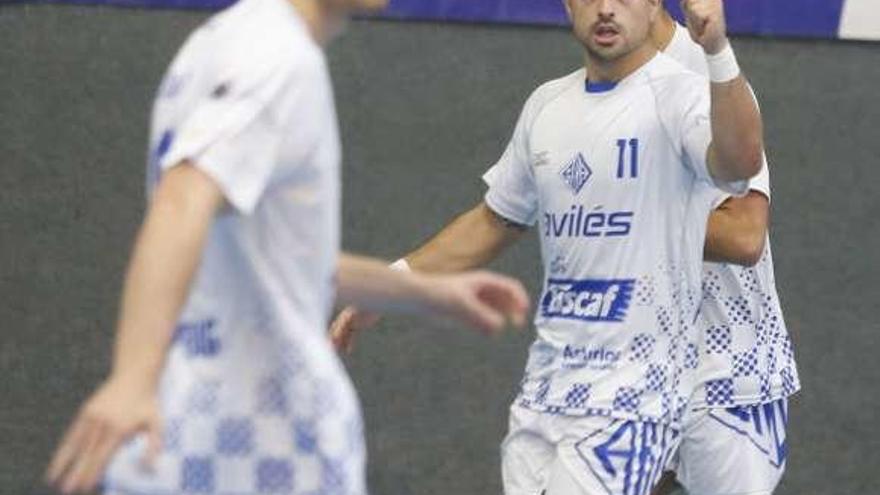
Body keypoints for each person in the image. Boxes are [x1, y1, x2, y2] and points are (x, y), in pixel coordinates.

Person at [43, 0, 531, 493]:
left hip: (216, 429)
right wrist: (132, 378)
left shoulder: (218, 42)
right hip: (259, 441)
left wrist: (430, 294)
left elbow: (277, 258)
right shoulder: (277, 59)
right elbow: (181, 201)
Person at [332, 0, 765, 492]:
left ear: (652, 5)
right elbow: (494, 220)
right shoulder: (546, 106)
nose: (605, 9)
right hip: (545, 392)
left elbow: (738, 161)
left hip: (634, 399)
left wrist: (717, 51)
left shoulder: (683, 95)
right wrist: (391, 286)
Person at [647, 9, 801, 495]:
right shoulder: (576, 97)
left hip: (728, 375)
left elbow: (744, 235)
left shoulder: (704, 76)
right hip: (634, 364)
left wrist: (627, 208)